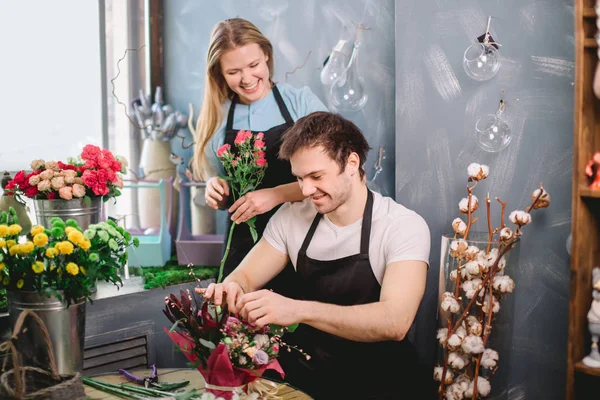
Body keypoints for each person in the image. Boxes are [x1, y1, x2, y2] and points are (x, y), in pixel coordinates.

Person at [198, 112, 431, 399]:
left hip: (383, 383)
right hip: (308, 380)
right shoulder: (291, 218)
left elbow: (395, 321)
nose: (306, 190)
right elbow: (244, 275)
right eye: (299, 178)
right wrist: (231, 288)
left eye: (316, 176)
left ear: (351, 163)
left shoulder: (402, 226)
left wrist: (297, 310)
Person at [192, 18, 328, 294]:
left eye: (253, 65)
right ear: (218, 72)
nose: (246, 78)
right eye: (233, 71)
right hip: (243, 248)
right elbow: (214, 173)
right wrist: (213, 186)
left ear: (267, 55)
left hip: (303, 239)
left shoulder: (301, 103)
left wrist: (276, 194)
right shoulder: (217, 116)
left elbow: (331, 175)